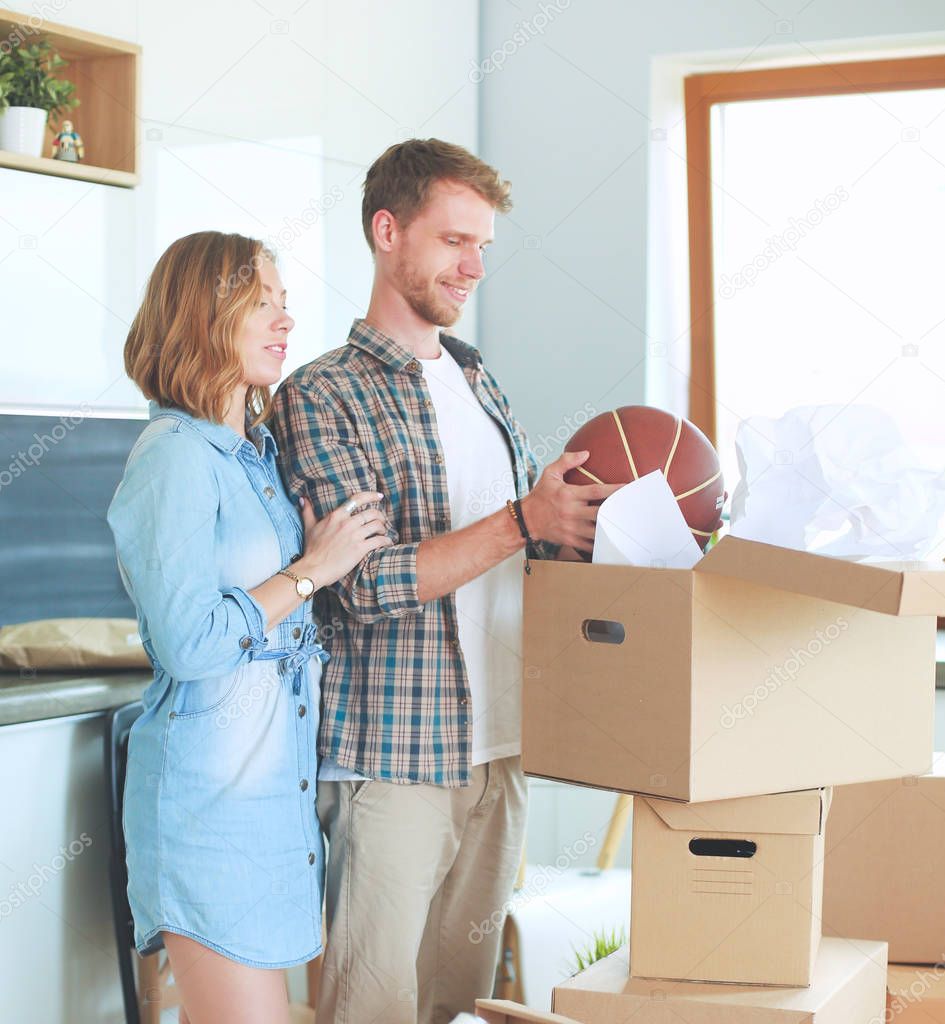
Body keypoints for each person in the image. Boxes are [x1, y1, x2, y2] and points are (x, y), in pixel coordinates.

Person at [272, 139, 619, 1024]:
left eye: (484, 248)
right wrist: (522, 522)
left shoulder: (476, 379)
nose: (473, 266)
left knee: (459, 1007)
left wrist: (588, 528)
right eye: (454, 241)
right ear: (387, 232)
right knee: (374, 1006)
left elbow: (525, 550)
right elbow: (362, 584)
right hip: (394, 760)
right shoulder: (322, 394)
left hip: (499, 752)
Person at [108, 230, 389, 1024]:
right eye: (260, 303)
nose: (284, 320)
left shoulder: (251, 456)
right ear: (203, 317)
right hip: (210, 812)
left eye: (284, 303)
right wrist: (311, 569)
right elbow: (188, 643)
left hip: (270, 802)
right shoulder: (173, 458)